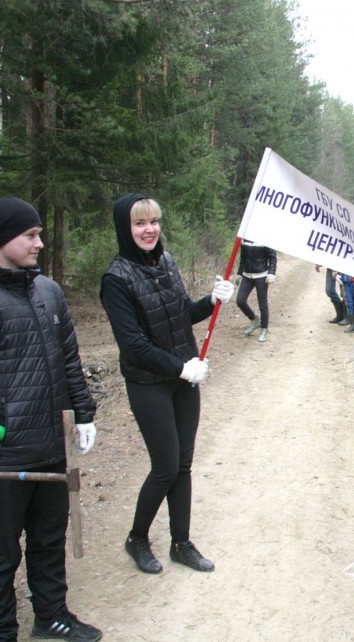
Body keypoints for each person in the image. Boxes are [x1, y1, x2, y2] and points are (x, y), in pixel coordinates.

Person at [0, 196, 101, 641]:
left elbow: (69, 360)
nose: (40, 244)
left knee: (49, 540)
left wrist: (83, 415)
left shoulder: (47, 291)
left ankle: (51, 615)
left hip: (52, 446)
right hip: (2, 457)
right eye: (30, 235)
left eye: (40, 234)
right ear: (2, 239)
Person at [100, 193, 234, 576]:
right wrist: (181, 368)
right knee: (165, 466)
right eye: (140, 223)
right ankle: (137, 538)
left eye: (154, 221)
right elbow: (134, 345)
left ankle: (181, 543)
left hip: (182, 379)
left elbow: (179, 317)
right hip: (150, 383)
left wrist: (210, 301)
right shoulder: (116, 278)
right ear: (125, 228)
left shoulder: (167, 262)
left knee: (184, 465)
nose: (150, 229)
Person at [235, 238, 277, 343]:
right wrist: (240, 273)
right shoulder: (244, 239)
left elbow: (272, 257)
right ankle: (254, 320)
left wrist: (271, 273)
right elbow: (243, 257)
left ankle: (264, 329)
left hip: (262, 276)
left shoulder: (265, 237)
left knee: (262, 304)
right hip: (246, 275)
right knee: (240, 301)